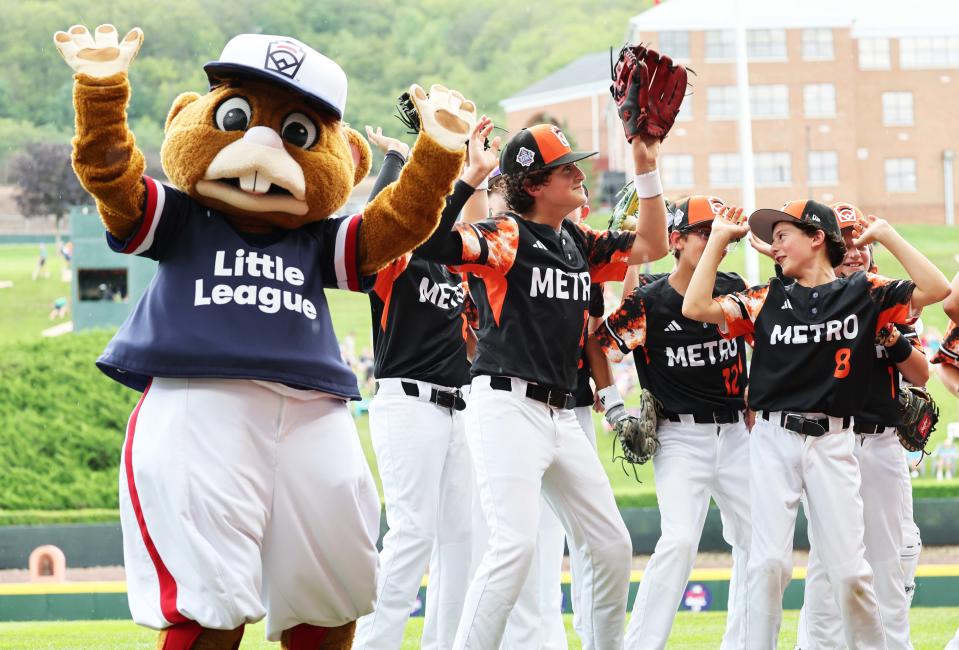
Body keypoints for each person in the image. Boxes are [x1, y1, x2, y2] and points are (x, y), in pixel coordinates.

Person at [416, 122, 669, 649]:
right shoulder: (507, 233)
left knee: (610, 545)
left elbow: (653, 243)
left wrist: (645, 164)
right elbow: (437, 242)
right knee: (512, 548)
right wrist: (470, 179)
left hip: (560, 414)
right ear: (533, 183)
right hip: (506, 405)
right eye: (566, 168)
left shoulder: (576, 239)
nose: (580, 174)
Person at [682, 199, 950, 648]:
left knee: (849, 572)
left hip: (834, 441)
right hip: (772, 437)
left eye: (783, 235)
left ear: (816, 238)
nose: (774, 245)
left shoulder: (863, 291)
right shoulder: (768, 296)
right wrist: (716, 242)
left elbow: (937, 287)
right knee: (768, 564)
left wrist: (884, 234)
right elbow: (695, 307)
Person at [354, 119, 499, 650]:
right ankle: (373, 644)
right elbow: (377, 221)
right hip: (407, 401)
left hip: (460, 409)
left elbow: (479, 230)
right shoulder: (400, 261)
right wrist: (397, 159)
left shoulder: (457, 266)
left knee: (461, 540)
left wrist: (473, 166)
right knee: (412, 533)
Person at [586, 195, 751, 650]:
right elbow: (601, 346)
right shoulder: (651, 303)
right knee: (678, 542)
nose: (717, 236)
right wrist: (615, 407)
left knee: (760, 543)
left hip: (738, 433)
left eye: (720, 229)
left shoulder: (733, 285)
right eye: (705, 230)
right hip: (681, 437)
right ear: (675, 240)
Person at [786, 203, 928, 650]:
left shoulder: (887, 299)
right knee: (828, 564)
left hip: (882, 442)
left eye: (860, 240)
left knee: (892, 561)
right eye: (844, 239)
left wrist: (890, 336)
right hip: (831, 440)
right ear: (826, 245)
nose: (853, 249)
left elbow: (921, 373)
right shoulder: (809, 300)